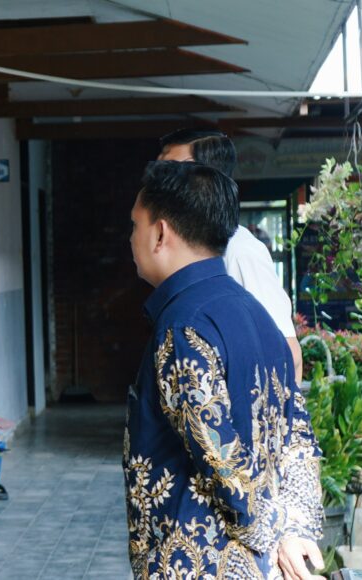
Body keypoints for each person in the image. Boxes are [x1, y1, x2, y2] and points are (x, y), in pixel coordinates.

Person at [125, 161, 323, 579]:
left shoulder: (183, 326)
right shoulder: (256, 313)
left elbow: (221, 459)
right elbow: (299, 435)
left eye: (135, 225)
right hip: (258, 565)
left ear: (160, 233)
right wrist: (293, 529)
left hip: (197, 564)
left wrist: (274, 534)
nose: (131, 238)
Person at [158, 129, 303, 385]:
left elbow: (288, 354)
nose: (158, 182)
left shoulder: (239, 250)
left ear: (204, 178)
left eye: (170, 169)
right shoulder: (183, 248)